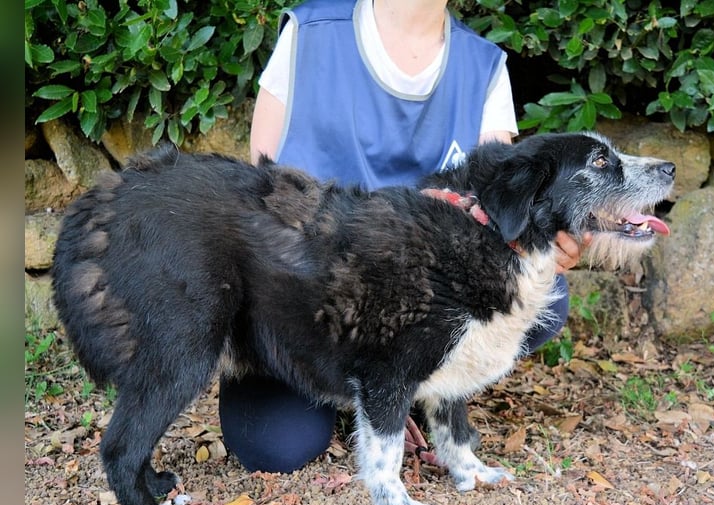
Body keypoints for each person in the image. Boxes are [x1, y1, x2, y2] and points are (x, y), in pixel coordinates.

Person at [219, 0, 591, 474]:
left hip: (414, 309)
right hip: (310, 306)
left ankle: (403, 380)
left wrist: (547, 245)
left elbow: (499, 217)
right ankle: (378, 385)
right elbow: (259, 201)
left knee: (544, 300)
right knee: (274, 448)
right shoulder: (309, 33)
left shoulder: (483, 66)